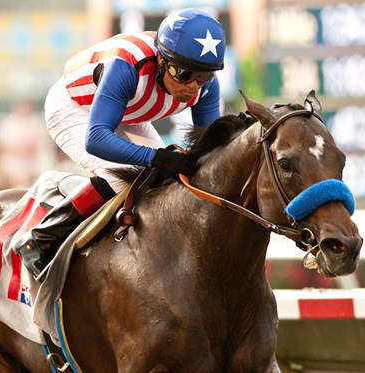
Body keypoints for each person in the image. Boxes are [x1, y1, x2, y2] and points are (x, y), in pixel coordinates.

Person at [15, 8, 226, 277]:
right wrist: (157, 158)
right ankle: (41, 237)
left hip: (128, 110)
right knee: (122, 177)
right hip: (76, 108)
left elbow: (211, 149)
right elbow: (97, 139)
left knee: (165, 180)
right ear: (161, 59)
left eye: (204, 76)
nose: (193, 86)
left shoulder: (206, 85)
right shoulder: (126, 65)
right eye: (183, 74)